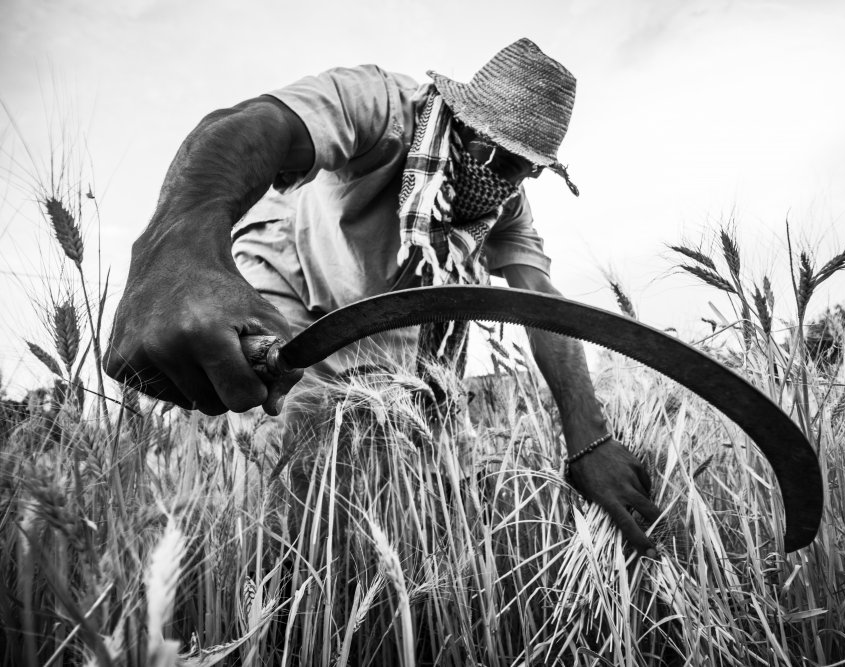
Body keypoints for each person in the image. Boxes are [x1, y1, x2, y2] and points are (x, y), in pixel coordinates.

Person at [104, 38, 663, 558]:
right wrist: (178, 251)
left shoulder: (503, 206)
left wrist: (590, 441)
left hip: (382, 316)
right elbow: (248, 126)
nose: (507, 185)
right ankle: (281, 588)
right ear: (461, 122)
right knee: (296, 441)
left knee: (411, 466)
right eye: (500, 159)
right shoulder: (382, 107)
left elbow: (542, 305)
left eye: (527, 171)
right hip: (291, 276)